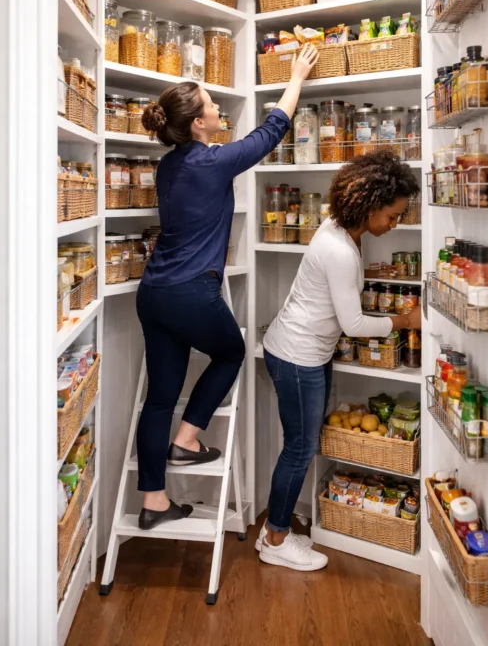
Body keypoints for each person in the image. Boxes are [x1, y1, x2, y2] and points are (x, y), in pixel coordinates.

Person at [135, 43, 319, 531]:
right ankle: (188, 440)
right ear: (198, 123)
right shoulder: (211, 162)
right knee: (232, 352)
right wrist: (296, 75)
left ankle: (153, 501)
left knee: (160, 397)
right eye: (212, 105)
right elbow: (272, 130)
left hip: (153, 293)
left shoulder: (170, 164)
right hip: (190, 292)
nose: (219, 110)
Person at [260, 151, 421, 570]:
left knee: (300, 445)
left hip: (305, 352)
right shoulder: (340, 249)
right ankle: (275, 539)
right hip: (297, 357)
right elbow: (351, 321)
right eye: (392, 215)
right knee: (299, 449)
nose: (394, 224)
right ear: (368, 205)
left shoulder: (344, 229)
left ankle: (277, 526)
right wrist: (406, 320)